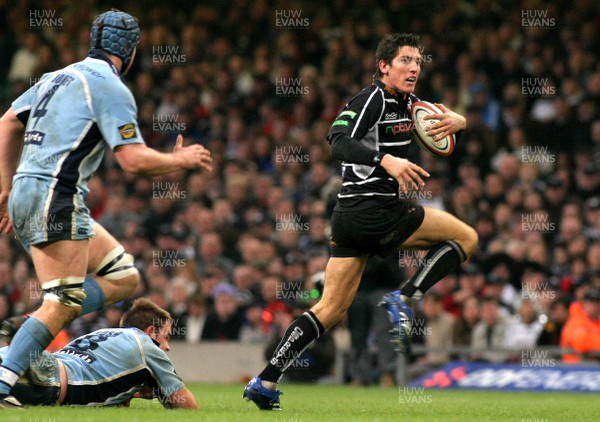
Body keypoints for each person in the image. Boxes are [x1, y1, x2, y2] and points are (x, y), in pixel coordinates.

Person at [244, 33, 477, 410]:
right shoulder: (372, 97)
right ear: (384, 66)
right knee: (466, 238)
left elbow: (443, 128)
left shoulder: (411, 103)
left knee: (330, 309)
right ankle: (405, 298)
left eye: (418, 61)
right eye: (405, 60)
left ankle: (266, 380)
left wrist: (460, 121)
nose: (414, 67)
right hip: (377, 210)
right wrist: (387, 161)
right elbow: (336, 139)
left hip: (349, 218)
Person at [0, 9, 212, 408]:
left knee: (124, 276)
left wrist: (6, 188)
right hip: (56, 195)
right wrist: (179, 161)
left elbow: (7, 123)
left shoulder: (55, 77)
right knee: (63, 301)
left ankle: (29, 328)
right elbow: (133, 162)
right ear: (131, 51)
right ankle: (4, 377)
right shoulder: (111, 88)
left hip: (30, 192)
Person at [0, 298, 197, 408]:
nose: (167, 347)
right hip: (49, 380)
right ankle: (27, 327)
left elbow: (105, 389)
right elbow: (188, 407)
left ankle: (23, 331)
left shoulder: (101, 333)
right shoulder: (148, 347)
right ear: (152, 332)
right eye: (167, 336)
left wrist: (132, 393)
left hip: (36, 362)